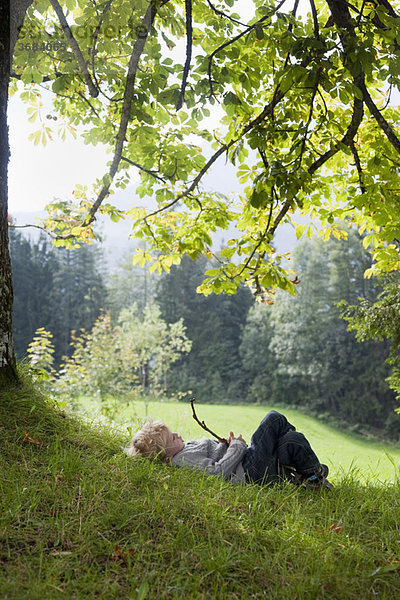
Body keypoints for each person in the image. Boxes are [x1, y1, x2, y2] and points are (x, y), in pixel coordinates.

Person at [125, 410, 333, 489]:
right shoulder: (182, 459)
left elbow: (213, 456)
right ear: (166, 455)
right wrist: (237, 446)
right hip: (250, 472)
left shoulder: (183, 451)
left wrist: (224, 444)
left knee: (291, 440)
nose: (178, 435)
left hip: (251, 466)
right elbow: (217, 472)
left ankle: (312, 478)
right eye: (172, 438)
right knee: (272, 419)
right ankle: (296, 470)